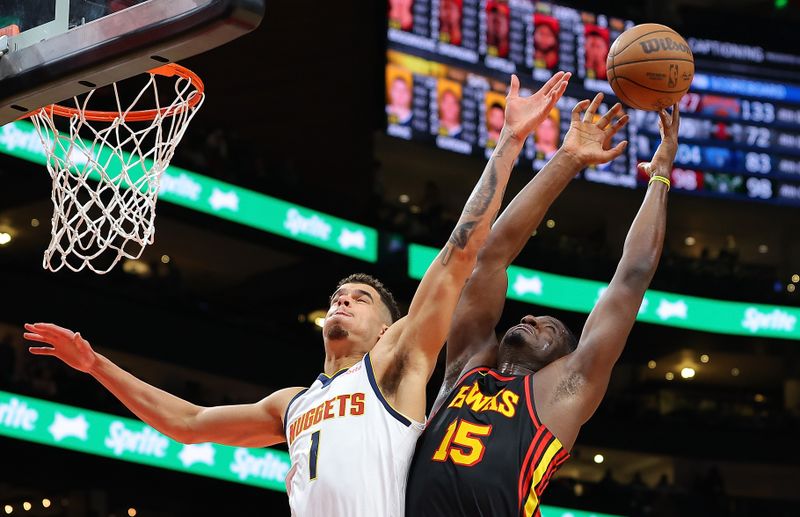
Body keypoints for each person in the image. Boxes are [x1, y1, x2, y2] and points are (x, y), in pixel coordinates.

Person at [24, 72, 572, 517]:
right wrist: (95, 365)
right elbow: (187, 424)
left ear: (387, 327)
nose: (343, 300)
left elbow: (458, 256)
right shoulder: (292, 405)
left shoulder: (395, 362)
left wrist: (509, 144)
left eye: (360, 298)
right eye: (339, 294)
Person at [405, 96, 680, 516]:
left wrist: (659, 178)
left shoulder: (564, 389)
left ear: (562, 358)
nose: (530, 316)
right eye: (535, 317)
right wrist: (568, 159)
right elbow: (490, 257)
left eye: (548, 328)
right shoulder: (467, 364)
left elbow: (632, 277)